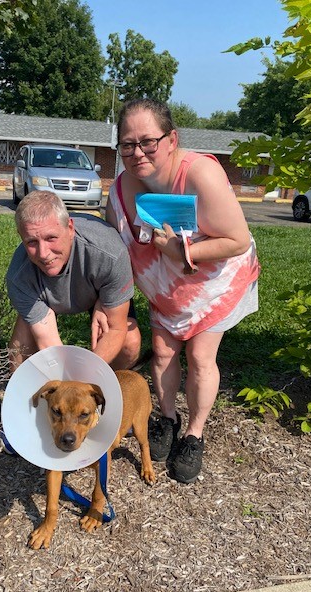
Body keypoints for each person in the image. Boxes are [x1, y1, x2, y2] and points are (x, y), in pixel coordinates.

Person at [105, 98, 260, 484]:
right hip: (166, 287)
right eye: (127, 144)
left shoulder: (199, 174)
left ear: (172, 139)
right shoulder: (120, 190)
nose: (137, 152)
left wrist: (181, 250)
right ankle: (168, 419)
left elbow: (237, 240)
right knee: (160, 352)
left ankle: (194, 434)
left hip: (214, 281)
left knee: (201, 356)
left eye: (148, 142)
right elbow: (115, 250)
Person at [0, 190, 141, 451]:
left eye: (52, 238)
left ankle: (103, 404)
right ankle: (22, 412)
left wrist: (82, 387)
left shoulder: (109, 253)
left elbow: (118, 327)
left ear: (70, 228)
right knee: (20, 349)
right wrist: (62, 390)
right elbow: (49, 343)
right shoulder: (19, 275)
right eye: (31, 242)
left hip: (98, 287)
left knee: (130, 342)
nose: (43, 253)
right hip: (46, 298)